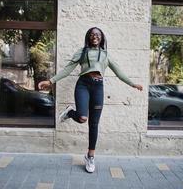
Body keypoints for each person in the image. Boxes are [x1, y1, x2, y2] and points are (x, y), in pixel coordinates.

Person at [38, 27, 143, 173]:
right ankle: (70, 113)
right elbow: (68, 69)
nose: (95, 36)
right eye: (92, 34)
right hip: (83, 85)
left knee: (94, 124)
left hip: (98, 88)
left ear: (101, 38)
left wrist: (132, 84)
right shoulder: (82, 52)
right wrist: (51, 81)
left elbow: (119, 72)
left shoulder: (105, 55)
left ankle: (90, 156)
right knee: (82, 117)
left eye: (98, 35)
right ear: (88, 37)